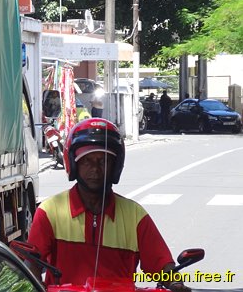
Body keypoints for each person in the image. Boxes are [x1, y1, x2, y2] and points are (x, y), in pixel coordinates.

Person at [27, 118, 190, 292]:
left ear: (115, 166)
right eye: (87, 161)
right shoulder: (50, 211)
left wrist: (175, 283)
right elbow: (32, 263)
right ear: (74, 164)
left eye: (103, 161)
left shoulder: (134, 216)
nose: (95, 169)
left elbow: (161, 263)